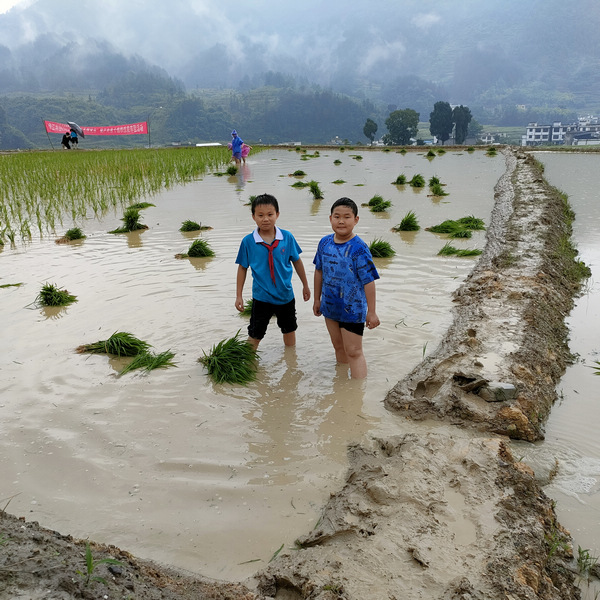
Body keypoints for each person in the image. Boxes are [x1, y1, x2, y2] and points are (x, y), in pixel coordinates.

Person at [313, 197, 380, 379]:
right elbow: (319, 271)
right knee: (338, 347)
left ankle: (357, 395)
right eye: (337, 216)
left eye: (347, 217)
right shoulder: (324, 243)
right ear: (330, 218)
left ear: (356, 220)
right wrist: (317, 299)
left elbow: (369, 281)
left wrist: (371, 312)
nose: (341, 221)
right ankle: (342, 389)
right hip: (330, 307)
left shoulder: (359, 249)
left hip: (353, 309)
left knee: (354, 352)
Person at [235, 193, 311, 349]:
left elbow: (297, 261)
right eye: (260, 215)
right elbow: (242, 268)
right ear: (253, 217)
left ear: (277, 214)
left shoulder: (287, 237)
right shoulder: (248, 242)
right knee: (255, 334)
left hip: (285, 296)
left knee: (289, 330)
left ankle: (291, 363)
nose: (265, 219)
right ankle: (248, 363)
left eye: (270, 214)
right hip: (261, 297)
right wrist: (239, 295)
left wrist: (305, 285)